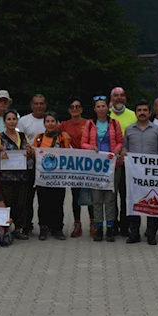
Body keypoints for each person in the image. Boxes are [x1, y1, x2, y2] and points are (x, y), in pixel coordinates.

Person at [122, 99, 158, 245]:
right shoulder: (129, 130)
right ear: (135, 113)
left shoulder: (157, 130)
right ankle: (134, 233)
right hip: (134, 175)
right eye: (139, 110)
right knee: (134, 203)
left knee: (152, 203)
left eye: (144, 110)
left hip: (151, 174)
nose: (142, 113)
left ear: (149, 112)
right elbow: (125, 148)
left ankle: (151, 234)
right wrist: (124, 155)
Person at [81, 96, 123, 242]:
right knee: (97, 199)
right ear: (94, 109)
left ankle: (110, 228)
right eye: (98, 106)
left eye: (103, 106)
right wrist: (90, 147)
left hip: (111, 165)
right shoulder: (90, 124)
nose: (101, 109)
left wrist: (117, 151)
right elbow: (83, 143)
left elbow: (120, 141)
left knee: (110, 198)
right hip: (95, 167)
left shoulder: (114, 123)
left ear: (108, 108)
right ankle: (99, 228)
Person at [0, 109, 35, 240]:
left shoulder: (23, 136)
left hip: (22, 176)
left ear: (17, 121)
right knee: (8, 202)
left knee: (21, 203)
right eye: (9, 119)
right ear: (4, 121)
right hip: (5, 177)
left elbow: (29, 154)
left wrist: (29, 152)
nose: (12, 122)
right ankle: (5, 228)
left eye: (14, 119)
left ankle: (20, 228)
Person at [59, 96, 95, 237]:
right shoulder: (63, 125)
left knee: (90, 194)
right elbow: (55, 137)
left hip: (87, 164)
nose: (75, 109)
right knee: (75, 195)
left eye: (77, 106)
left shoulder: (88, 123)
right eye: (72, 107)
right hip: (73, 165)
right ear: (68, 110)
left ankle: (93, 223)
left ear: (81, 109)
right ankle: (77, 224)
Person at [33, 111, 70, 240]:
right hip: (43, 177)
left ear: (57, 123)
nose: (50, 124)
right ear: (44, 123)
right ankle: (43, 227)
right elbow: (35, 155)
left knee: (58, 202)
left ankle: (57, 228)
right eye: (47, 121)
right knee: (43, 203)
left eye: (52, 121)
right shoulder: (39, 138)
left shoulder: (63, 137)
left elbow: (68, 154)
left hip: (59, 177)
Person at [109, 87, 137, 237]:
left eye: (122, 96)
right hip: (109, 164)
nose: (119, 98)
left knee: (126, 195)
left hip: (128, 164)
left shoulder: (133, 115)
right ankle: (112, 224)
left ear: (125, 98)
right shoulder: (104, 115)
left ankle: (126, 226)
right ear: (111, 99)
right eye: (116, 96)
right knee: (111, 196)